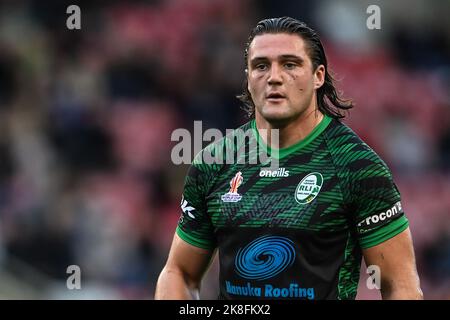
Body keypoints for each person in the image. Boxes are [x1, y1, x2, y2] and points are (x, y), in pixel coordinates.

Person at [155, 16, 423, 300]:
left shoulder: (357, 167)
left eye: (290, 64)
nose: (274, 76)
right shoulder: (214, 163)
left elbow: (399, 285)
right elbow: (179, 272)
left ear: (318, 76)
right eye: (261, 66)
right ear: (247, 79)